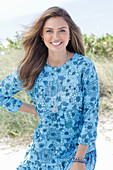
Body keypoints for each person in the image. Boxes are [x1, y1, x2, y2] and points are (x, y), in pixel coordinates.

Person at [0, 6, 99, 170]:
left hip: (75, 155)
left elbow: (91, 115)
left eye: (62, 30)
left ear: (69, 34)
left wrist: (79, 160)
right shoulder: (31, 68)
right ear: (41, 35)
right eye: (49, 31)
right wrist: (33, 109)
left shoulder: (84, 66)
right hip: (40, 153)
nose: (55, 36)